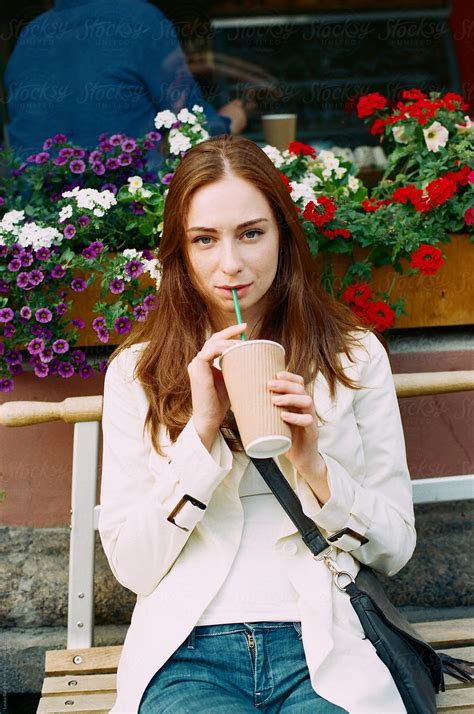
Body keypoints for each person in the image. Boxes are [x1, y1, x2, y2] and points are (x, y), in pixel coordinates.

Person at [99, 135, 416, 713]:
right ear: (180, 252)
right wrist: (200, 433)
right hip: (186, 650)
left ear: (283, 236)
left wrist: (312, 465)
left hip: (322, 639)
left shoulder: (352, 358)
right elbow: (134, 567)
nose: (231, 264)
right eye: (205, 239)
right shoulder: (136, 374)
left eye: (251, 232)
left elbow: (395, 547)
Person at [4, 0, 246, 158]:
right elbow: (198, 131)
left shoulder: (29, 36)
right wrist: (231, 119)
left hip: (39, 225)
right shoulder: (139, 18)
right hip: (125, 217)